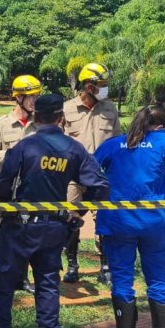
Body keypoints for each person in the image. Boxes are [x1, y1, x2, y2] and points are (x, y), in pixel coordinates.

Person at [0, 94, 109, 328]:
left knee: (4, 283)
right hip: (54, 228)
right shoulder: (75, 149)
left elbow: (0, 187)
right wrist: (77, 212)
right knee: (47, 285)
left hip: (19, 228)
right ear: (61, 118)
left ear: (35, 117)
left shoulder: (24, 148)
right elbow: (100, 187)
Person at [96, 105, 165, 328]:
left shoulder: (114, 144)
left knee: (122, 277)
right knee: (158, 278)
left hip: (119, 222)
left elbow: (91, 172)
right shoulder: (164, 141)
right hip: (156, 223)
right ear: (161, 125)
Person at [61, 62, 122, 285]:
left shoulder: (110, 109)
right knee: (71, 218)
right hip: (73, 177)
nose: (105, 89)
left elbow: (116, 141)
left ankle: (105, 265)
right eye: (101, 85)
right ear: (88, 86)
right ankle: (72, 265)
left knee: (104, 219)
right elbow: (57, 141)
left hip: (101, 176)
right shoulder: (67, 109)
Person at [0, 75, 42, 293]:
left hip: (30, 191)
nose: (35, 100)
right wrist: (11, 155)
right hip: (4, 189)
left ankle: (21, 279)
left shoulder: (40, 124)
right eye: (30, 96)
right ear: (18, 97)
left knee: (26, 234)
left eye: (37, 95)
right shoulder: (1, 124)